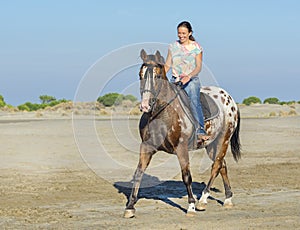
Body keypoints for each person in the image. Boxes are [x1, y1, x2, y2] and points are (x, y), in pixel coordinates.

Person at [164, 21, 209, 143]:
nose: (181, 35)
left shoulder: (196, 48)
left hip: (191, 80)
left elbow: (198, 67)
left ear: (190, 33)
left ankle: (200, 130)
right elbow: (168, 64)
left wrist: (188, 76)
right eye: (179, 33)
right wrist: (159, 75)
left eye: (184, 33)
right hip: (175, 80)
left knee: (194, 102)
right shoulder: (173, 46)